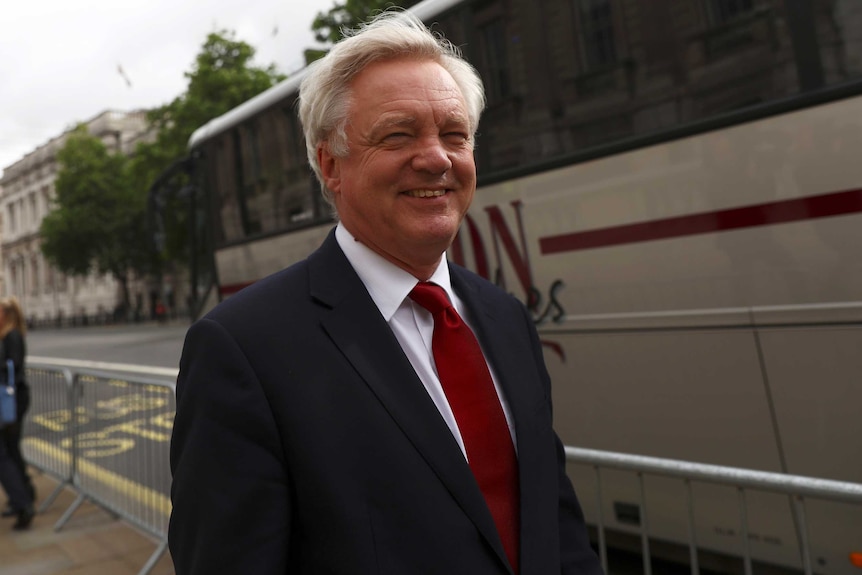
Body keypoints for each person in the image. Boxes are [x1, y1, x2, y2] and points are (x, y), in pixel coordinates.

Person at [169, 10, 603, 575]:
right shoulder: (242, 349)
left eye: (455, 135)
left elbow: (557, 526)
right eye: (398, 134)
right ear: (331, 165)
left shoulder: (506, 318)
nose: (436, 158)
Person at [0, 296, 34, 530]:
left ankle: (25, 496)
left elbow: (12, 365)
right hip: (10, 398)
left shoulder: (11, 336)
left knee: (10, 450)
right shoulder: (7, 334)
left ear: (7, 314)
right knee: (10, 450)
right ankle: (21, 497)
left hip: (12, 399)